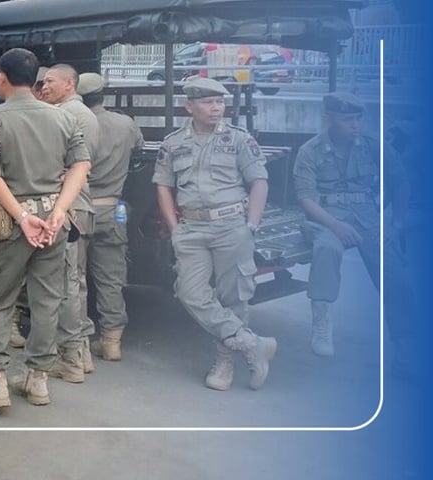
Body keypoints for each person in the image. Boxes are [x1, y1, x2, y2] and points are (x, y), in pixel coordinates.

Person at [0, 48, 91, 409]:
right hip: (54, 224)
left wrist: (24, 218)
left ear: (0, 78)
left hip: (13, 223)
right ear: (35, 80)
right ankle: (38, 380)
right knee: (47, 300)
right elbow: (81, 166)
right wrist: (57, 212)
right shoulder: (64, 119)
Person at [152, 76, 275, 392]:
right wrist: (175, 228)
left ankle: (225, 363)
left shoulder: (238, 139)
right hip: (191, 228)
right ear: (189, 106)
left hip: (231, 226)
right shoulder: (173, 143)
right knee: (189, 292)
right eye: (208, 102)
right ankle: (250, 343)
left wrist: (251, 225)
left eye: (220, 102)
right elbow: (164, 187)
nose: (216, 108)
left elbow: (259, 181)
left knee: (233, 295)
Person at [292, 93, 411, 359]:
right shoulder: (309, 150)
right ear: (329, 119)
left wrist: (397, 225)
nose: (355, 125)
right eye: (347, 119)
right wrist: (335, 225)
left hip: (367, 217)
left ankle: (406, 345)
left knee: (394, 273)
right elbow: (305, 199)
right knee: (326, 250)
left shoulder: (372, 145)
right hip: (326, 216)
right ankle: (322, 323)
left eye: (358, 119)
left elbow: (401, 180)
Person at [38, 64, 101, 382]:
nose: (44, 86)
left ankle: (71, 357)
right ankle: (83, 353)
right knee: (76, 283)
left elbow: (68, 166)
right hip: (80, 205)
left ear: (69, 83)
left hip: (68, 208)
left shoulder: (67, 115)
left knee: (65, 285)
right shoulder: (81, 113)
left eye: (49, 81)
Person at [77, 73, 144, 362]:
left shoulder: (73, 122)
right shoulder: (125, 124)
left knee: (74, 278)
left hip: (79, 209)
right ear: (103, 93)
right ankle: (112, 341)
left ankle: (77, 342)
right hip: (113, 210)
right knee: (110, 279)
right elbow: (139, 152)